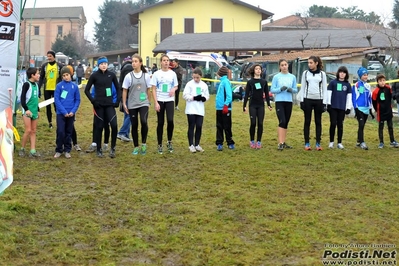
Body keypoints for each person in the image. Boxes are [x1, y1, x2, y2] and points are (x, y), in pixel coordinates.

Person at [84, 56, 120, 158]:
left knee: (114, 125)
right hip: (99, 105)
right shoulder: (94, 76)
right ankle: (99, 149)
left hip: (109, 105)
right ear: (98, 65)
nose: (103, 65)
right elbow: (86, 90)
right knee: (99, 127)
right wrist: (93, 101)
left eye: (105, 63)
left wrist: (117, 101)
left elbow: (118, 88)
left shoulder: (111, 75)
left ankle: (112, 148)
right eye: (101, 64)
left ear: (107, 64)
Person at [121, 54, 152, 155]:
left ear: (140, 63)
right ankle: (136, 146)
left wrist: (148, 102)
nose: (133, 63)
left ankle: (143, 144)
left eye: (135, 61)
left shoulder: (146, 76)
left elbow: (149, 89)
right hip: (132, 104)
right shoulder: (128, 76)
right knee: (134, 125)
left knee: (143, 121)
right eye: (132, 61)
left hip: (143, 103)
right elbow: (125, 90)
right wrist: (125, 103)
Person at [150, 54, 178, 154]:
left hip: (169, 100)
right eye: (164, 60)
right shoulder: (156, 74)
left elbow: (176, 86)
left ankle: (169, 141)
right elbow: (153, 89)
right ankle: (159, 144)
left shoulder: (172, 74)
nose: (166, 62)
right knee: (160, 122)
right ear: (161, 62)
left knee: (170, 120)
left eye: (167, 60)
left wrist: (173, 89)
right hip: (160, 100)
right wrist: (156, 102)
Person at [298, 55, 328, 151]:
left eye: (311, 63)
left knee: (318, 122)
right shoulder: (305, 73)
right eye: (308, 63)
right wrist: (302, 101)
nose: (309, 65)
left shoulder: (322, 74)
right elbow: (302, 87)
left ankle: (318, 143)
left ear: (316, 63)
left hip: (318, 100)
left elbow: (324, 89)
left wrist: (324, 103)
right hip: (307, 99)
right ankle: (307, 143)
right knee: (307, 121)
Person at [243, 63, 272, 149]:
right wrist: (244, 106)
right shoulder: (250, 82)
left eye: (259, 69)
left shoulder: (264, 82)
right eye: (256, 69)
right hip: (252, 104)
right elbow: (246, 95)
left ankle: (258, 141)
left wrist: (269, 104)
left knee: (260, 123)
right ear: (253, 71)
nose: (258, 70)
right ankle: (252, 140)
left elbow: (266, 94)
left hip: (261, 105)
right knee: (253, 123)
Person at [270, 59, 297, 150]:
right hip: (280, 101)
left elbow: (295, 89)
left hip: (289, 101)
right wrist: (280, 89)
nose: (284, 66)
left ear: (288, 65)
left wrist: (291, 90)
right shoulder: (276, 77)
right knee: (282, 121)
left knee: (286, 122)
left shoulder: (292, 77)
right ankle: (280, 143)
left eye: (285, 64)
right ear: (279, 67)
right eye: (282, 65)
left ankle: (283, 142)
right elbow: (272, 90)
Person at [53, 67, 81, 158]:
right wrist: (64, 112)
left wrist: (73, 111)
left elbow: (77, 100)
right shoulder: (59, 86)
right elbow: (57, 100)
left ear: (71, 75)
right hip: (61, 113)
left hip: (71, 113)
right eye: (64, 75)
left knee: (69, 132)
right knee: (61, 131)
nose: (66, 77)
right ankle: (59, 149)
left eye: (67, 75)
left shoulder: (75, 86)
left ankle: (67, 149)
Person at [183, 67, 210, 153]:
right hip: (191, 109)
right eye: (194, 77)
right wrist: (193, 97)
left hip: (200, 109)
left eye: (197, 77)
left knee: (199, 126)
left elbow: (207, 95)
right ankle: (191, 144)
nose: (196, 79)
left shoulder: (204, 85)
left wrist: (203, 98)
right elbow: (185, 95)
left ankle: (197, 144)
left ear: (201, 76)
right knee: (191, 126)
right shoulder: (189, 84)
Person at [326, 66, 352, 149]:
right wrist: (328, 104)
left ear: (346, 74)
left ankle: (339, 142)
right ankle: (331, 142)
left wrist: (348, 107)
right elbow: (328, 94)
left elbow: (349, 97)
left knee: (340, 125)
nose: (342, 74)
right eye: (341, 72)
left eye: (344, 72)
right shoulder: (333, 83)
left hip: (342, 107)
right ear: (338, 73)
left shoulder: (347, 85)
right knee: (333, 124)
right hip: (333, 107)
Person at [372, 73, 399, 148]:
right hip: (381, 112)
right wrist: (376, 109)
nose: (382, 82)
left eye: (384, 80)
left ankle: (392, 141)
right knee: (381, 127)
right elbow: (374, 101)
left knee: (390, 126)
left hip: (388, 111)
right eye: (380, 81)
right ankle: (381, 142)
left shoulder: (388, 88)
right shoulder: (375, 91)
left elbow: (391, 97)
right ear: (377, 82)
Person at [38, 50, 63, 129]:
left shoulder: (59, 65)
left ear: (54, 57)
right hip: (47, 89)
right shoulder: (45, 66)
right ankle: (50, 123)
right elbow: (41, 77)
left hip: (56, 90)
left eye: (50, 56)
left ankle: (60, 121)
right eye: (48, 56)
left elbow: (63, 77)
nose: (49, 58)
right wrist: (39, 88)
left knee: (57, 106)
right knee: (48, 107)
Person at [19, 67, 40, 157]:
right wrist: (26, 109)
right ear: (32, 75)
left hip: (34, 111)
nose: (39, 75)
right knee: (28, 130)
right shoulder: (26, 84)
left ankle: (32, 150)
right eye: (37, 73)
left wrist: (38, 110)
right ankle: (22, 149)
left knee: (33, 131)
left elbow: (36, 99)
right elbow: (22, 99)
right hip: (27, 111)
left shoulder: (36, 85)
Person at [352, 67, 374, 150]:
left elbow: (369, 97)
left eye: (366, 75)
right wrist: (355, 108)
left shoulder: (368, 85)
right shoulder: (356, 85)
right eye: (364, 75)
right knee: (361, 124)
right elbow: (354, 98)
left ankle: (358, 140)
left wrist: (370, 109)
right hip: (359, 108)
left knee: (362, 125)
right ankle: (362, 142)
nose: (366, 76)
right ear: (360, 76)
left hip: (366, 109)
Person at [215, 66, 235, 151]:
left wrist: (226, 105)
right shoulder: (222, 82)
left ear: (220, 74)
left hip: (225, 108)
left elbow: (229, 95)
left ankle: (230, 142)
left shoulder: (226, 82)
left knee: (227, 126)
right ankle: (219, 142)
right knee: (219, 126)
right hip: (219, 108)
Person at [117, 56, 133, 142]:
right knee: (131, 115)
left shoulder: (124, 67)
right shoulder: (129, 68)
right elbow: (129, 83)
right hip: (128, 95)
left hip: (125, 94)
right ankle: (122, 132)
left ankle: (126, 135)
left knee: (127, 115)